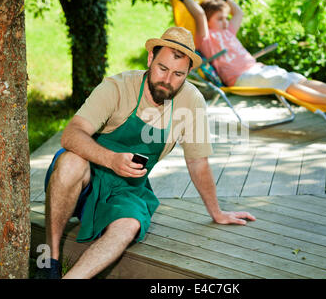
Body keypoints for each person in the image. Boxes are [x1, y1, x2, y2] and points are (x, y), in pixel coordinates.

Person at [37, 26, 256, 279]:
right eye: (162, 69)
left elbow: (197, 161)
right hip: (83, 180)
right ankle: (49, 264)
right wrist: (110, 159)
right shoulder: (118, 87)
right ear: (151, 59)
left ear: (187, 73)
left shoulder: (191, 102)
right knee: (71, 161)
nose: (168, 80)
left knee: (129, 225)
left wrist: (216, 212)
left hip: (128, 188)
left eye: (178, 74)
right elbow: (71, 135)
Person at [163, 0, 326, 113]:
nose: (226, 22)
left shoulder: (228, 32)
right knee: (285, 82)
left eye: (226, 18)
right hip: (241, 78)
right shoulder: (206, 37)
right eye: (220, 19)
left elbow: (239, 13)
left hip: (257, 70)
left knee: (297, 78)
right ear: (208, 21)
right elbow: (198, 14)